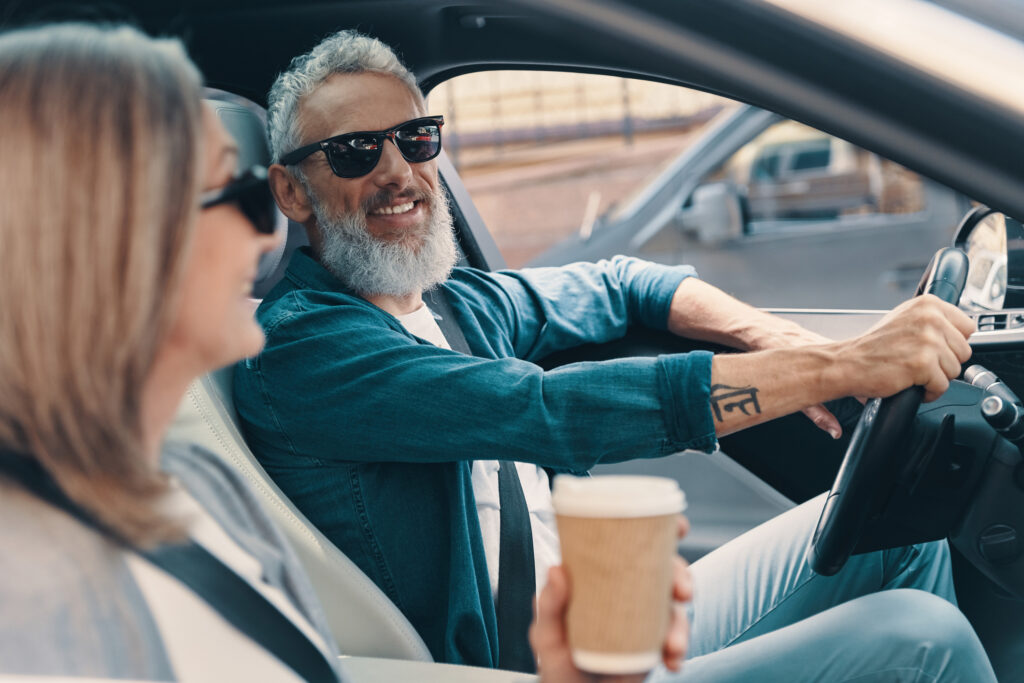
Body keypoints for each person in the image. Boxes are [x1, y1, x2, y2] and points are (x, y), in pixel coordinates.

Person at [233, 28, 996, 681]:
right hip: (535, 667)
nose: (397, 169)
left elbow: (627, 282)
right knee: (921, 638)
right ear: (293, 192)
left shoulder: (451, 304)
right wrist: (836, 369)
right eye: (356, 150)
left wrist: (779, 338)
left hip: (603, 623)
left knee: (898, 539)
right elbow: (547, 410)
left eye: (416, 138)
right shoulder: (302, 348)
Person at [0, 22, 342, 681]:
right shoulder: (28, 610)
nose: (268, 234)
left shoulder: (198, 482)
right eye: (238, 194)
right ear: (115, 246)